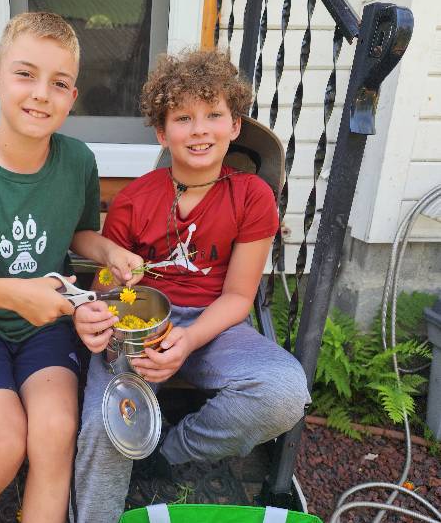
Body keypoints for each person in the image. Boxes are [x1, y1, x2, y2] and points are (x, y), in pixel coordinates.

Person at [0, 12, 143, 523]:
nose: (41, 93)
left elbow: (78, 231)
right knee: (4, 443)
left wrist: (106, 252)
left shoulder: (77, 160)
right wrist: (16, 295)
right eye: (25, 74)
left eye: (59, 83)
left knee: (55, 433)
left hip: (47, 328)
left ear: (72, 97)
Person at [71, 50, 311, 523]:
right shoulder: (136, 198)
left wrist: (190, 340)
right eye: (183, 117)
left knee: (283, 391)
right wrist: (109, 293)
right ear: (163, 132)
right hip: (138, 324)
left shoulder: (252, 196)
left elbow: (240, 297)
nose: (200, 129)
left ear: (235, 125)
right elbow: (103, 279)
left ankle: (164, 451)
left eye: (214, 115)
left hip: (215, 324)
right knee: (105, 423)